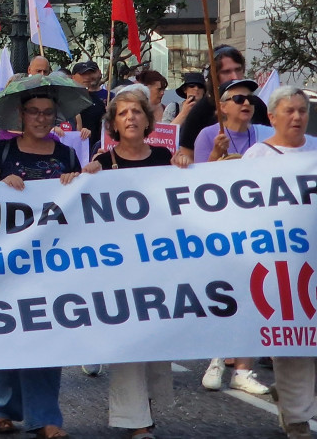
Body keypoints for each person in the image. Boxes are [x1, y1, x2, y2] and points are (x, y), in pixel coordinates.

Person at [247, 86, 317, 438]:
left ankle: (296, 399)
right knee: (291, 339)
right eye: (290, 111)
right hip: (278, 264)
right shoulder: (256, 158)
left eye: (302, 111)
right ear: (273, 116)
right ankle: (297, 419)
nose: (297, 117)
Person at [0, 89, 81, 439]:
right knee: (8, 330)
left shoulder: (67, 154)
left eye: (47, 112)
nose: (40, 118)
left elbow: (83, 203)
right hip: (8, 260)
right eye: (34, 111)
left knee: (47, 335)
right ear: (21, 115)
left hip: (54, 261)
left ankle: (46, 417)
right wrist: (1, 184)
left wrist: (73, 182)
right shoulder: (2, 149)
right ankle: (3, 407)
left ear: (55, 117)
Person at [80, 90, 181, 439]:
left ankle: (145, 409)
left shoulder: (165, 156)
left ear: (147, 119)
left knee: (154, 344)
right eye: (123, 114)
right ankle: (134, 420)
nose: (131, 118)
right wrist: (87, 175)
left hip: (159, 265)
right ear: (114, 124)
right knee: (129, 345)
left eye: (137, 111)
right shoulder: (104, 163)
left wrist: (185, 167)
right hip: (119, 269)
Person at [192, 77, 273, 396]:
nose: (246, 103)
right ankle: (215, 359)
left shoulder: (265, 136)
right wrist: (214, 155)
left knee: (254, 292)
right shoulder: (208, 135)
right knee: (223, 294)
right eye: (238, 99)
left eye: (249, 99)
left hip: (255, 227)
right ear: (222, 107)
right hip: (219, 228)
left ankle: (243, 369)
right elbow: (197, 186)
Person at [176, 46, 269, 157]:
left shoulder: (256, 104)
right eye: (226, 72)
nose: (234, 76)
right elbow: (187, 155)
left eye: (238, 70)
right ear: (214, 76)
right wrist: (214, 156)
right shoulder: (200, 112)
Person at [70, 61, 106, 153]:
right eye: (83, 74)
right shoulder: (64, 99)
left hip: (92, 151)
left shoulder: (98, 101)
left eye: (89, 74)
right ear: (73, 77)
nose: (87, 77)